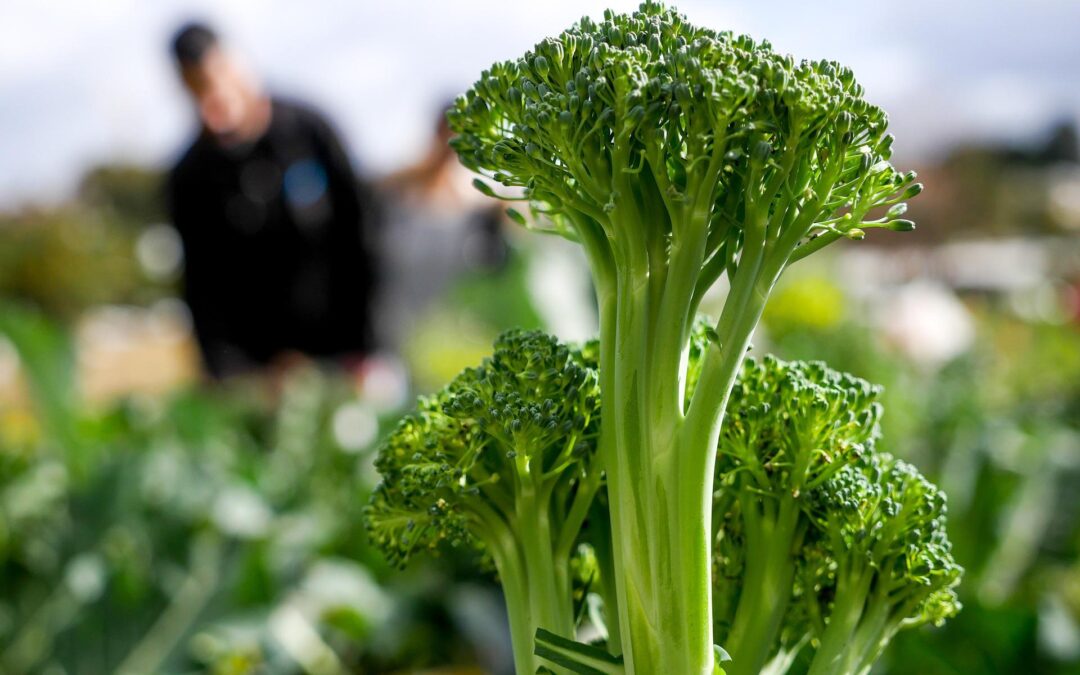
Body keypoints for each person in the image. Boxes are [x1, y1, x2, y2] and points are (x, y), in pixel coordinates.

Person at [167, 22, 376, 379]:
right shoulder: (190, 175)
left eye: (217, 79)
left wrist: (371, 347)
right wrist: (231, 373)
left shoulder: (310, 131)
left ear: (237, 66)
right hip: (262, 373)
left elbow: (365, 232)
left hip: (345, 354)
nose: (213, 98)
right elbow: (201, 285)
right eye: (197, 88)